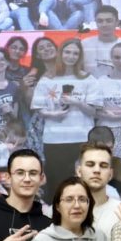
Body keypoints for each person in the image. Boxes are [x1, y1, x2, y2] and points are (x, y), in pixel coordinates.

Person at [32, 38, 102, 189]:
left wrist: (77, 102)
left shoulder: (88, 79)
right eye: (67, 52)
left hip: (82, 138)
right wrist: (54, 114)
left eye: (75, 53)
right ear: (60, 53)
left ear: (80, 56)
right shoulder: (47, 79)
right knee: (57, 184)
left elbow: (94, 111)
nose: (71, 56)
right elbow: (39, 109)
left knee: (83, 183)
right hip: (54, 139)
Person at [76, 142, 121, 238]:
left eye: (103, 165)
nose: (97, 170)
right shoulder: (60, 210)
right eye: (90, 165)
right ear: (79, 171)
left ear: (110, 174)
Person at [82, 5, 121, 78]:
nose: (104, 25)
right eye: (100, 21)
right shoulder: (84, 44)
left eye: (109, 21)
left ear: (117, 22)